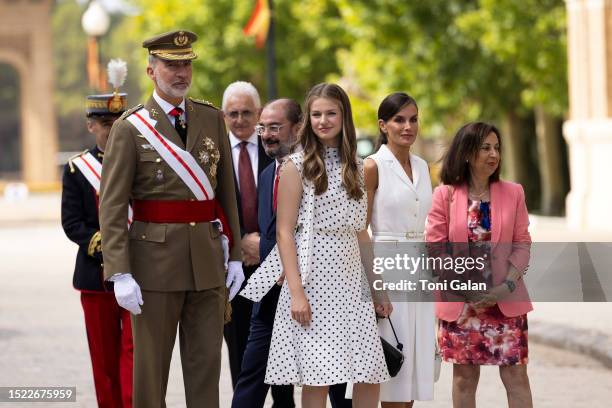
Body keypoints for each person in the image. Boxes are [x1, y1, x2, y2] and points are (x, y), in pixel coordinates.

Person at [99, 30, 243, 408]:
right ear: (151, 69)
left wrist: (236, 255)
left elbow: (225, 192)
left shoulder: (212, 118)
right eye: (171, 64)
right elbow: (112, 206)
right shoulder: (130, 128)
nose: (181, 72)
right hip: (153, 265)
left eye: (186, 64)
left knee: (205, 368)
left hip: (207, 261)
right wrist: (119, 271)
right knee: (150, 372)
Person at [241, 83, 390, 408]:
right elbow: (283, 233)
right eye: (317, 114)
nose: (323, 120)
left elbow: (361, 232)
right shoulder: (296, 166)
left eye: (331, 113)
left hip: (353, 285)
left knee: (369, 372)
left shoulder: (360, 167)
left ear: (343, 117)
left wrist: (378, 288)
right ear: (308, 119)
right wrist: (296, 293)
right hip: (313, 284)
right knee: (318, 377)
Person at [425, 122, 533, 408]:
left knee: (516, 377)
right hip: (461, 302)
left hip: (505, 299)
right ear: (467, 152)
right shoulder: (444, 195)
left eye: (497, 147)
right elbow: (435, 248)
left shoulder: (514, 193)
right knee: (464, 379)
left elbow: (523, 243)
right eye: (485, 147)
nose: (493, 154)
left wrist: (505, 286)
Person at [61, 83, 133, 407]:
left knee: (136, 354)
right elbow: (72, 223)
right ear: (91, 125)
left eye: (119, 123)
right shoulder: (78, 169)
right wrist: (109, 246)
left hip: (138, 271)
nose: (113, 130)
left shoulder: (141, 162)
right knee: (104, 360)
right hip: (96, 274)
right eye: (106, 124)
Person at [363, 92, 435, 407]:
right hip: (386, 268)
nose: (408, 126)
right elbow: (359, 229)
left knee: (414, 373)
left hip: (419, 269)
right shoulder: (372, 166)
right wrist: (375, 285)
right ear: (383, 125)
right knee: (391, 369)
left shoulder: (422, 165)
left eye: (413, 119)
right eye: (399, 120)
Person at [222, 81, 274, 387]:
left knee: (278, 344)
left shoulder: (276, 150)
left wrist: (262, 245)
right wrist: (239, 242)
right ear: (224, 116)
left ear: (259, 113)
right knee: (239, 347)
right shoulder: (212, 157)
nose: (240, 120)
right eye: (233, 114)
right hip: (232, 266)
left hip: (273, 261)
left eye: (246, 112)